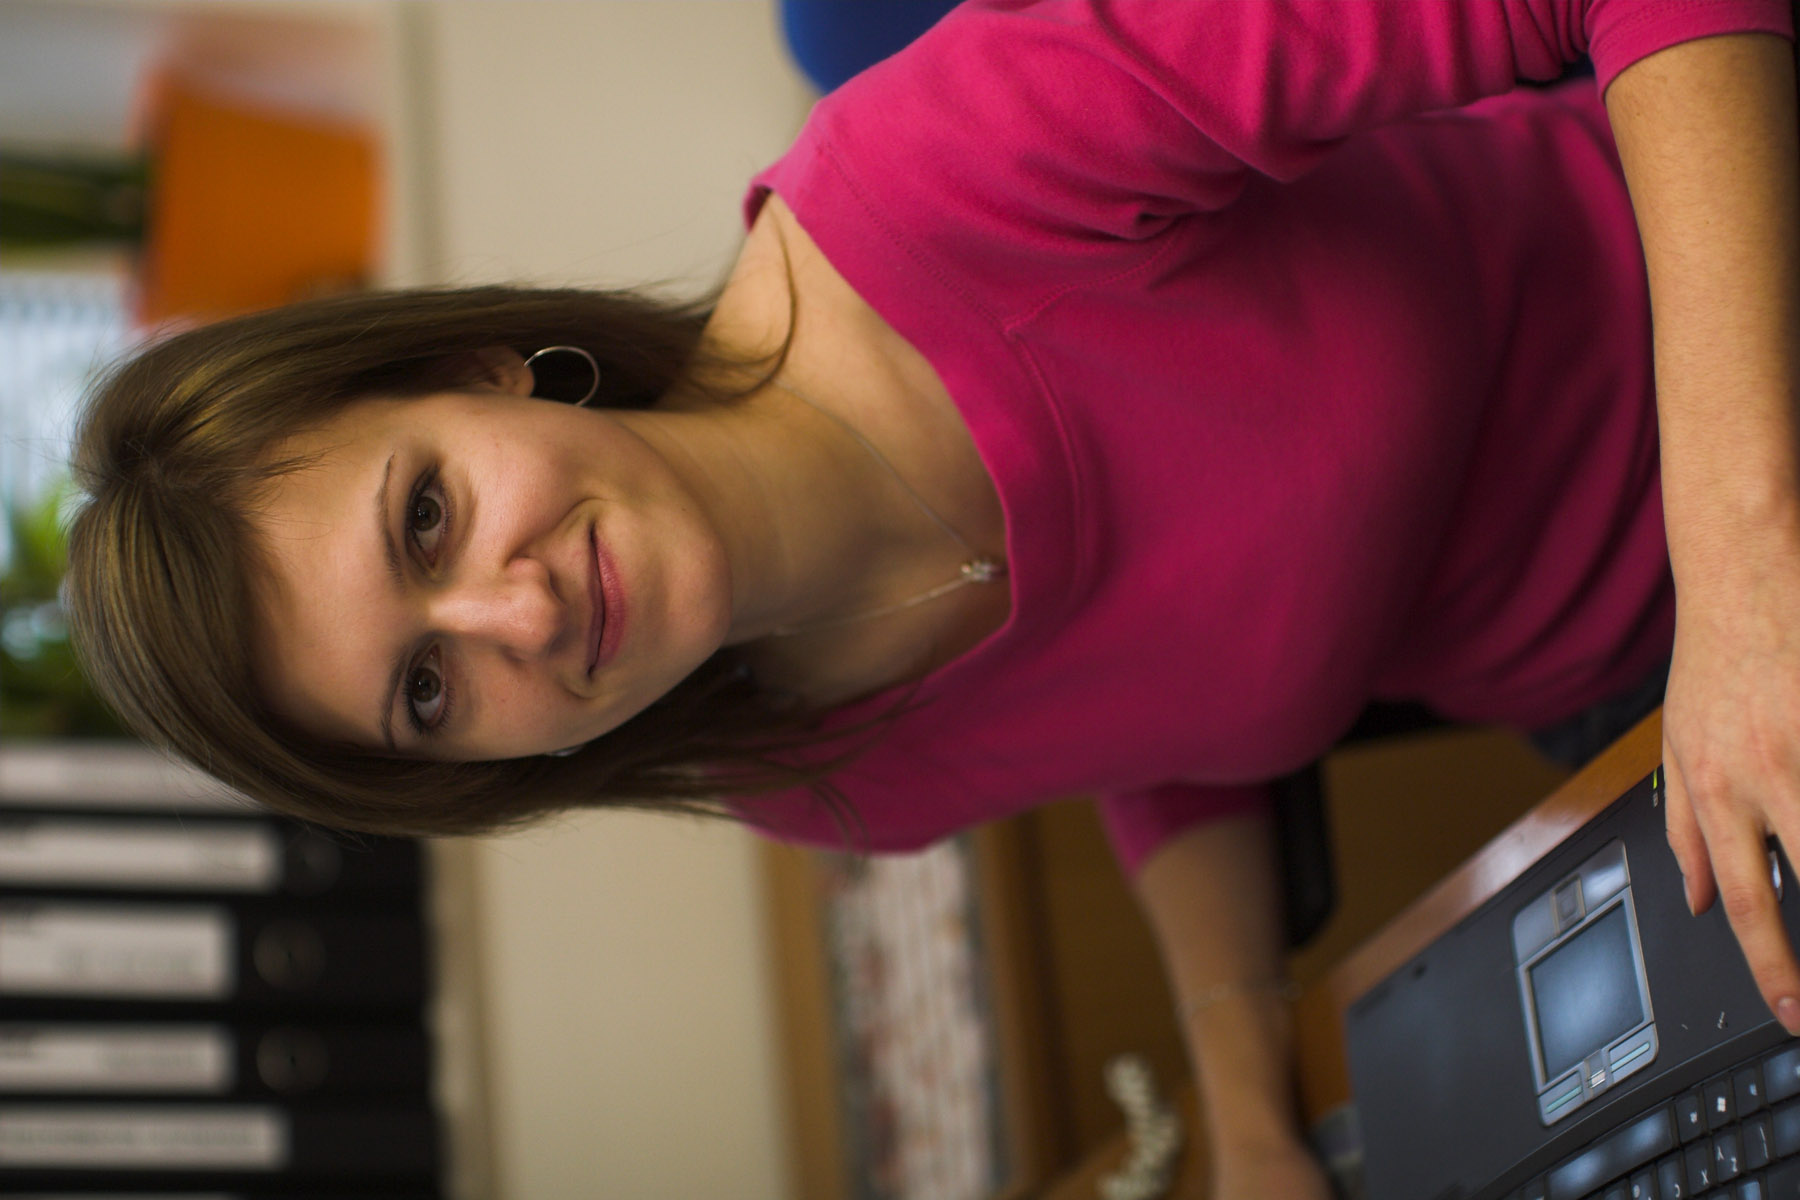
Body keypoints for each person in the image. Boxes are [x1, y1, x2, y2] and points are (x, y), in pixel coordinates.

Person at [63, 2, 1799, 1195]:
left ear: (473, 370)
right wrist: (1246, 1102)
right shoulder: (803, 764)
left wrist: (1742, 561)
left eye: (428, 516)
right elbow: (1156, 716)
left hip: (1744, 306)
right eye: (428, 694)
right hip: (1636, 706)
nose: (514, 620)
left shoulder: (957, 164)